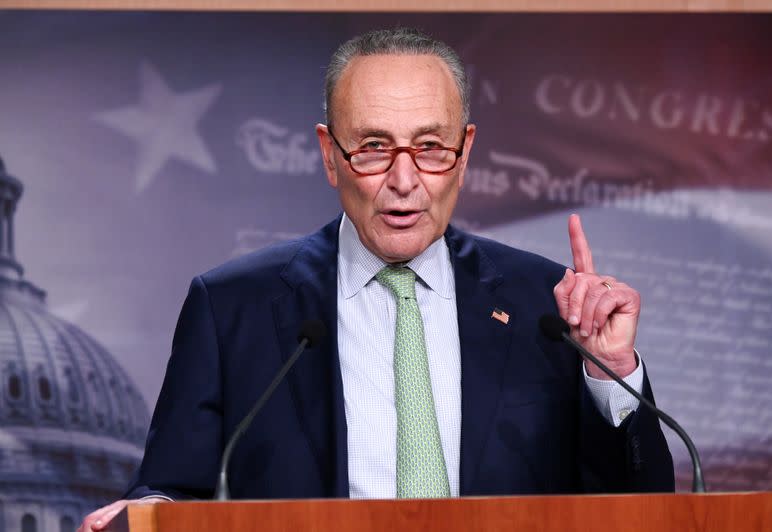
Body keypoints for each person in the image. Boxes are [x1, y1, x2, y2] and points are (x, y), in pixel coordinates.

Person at [80, 27, 673, 531]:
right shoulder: (234, 307)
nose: (404, 179)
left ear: (464, 154)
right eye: (372, 147)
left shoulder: (549, 308)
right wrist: (144, 517)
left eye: (431, 147)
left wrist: (610, 372)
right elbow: (171, 491)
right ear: (329, 154)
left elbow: (639, 510)